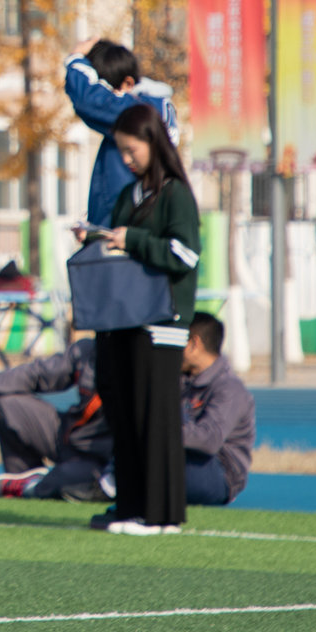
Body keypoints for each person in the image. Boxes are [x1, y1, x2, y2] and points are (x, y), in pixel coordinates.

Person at [75, 102, 200, 536]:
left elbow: (184, 253)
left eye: (133, 150)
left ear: (154, 142)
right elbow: (122, 245)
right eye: (122, 151)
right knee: (124, 414)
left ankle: (161, 514)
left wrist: (134, 239)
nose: (127, 159)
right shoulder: (130, 195)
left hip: (161, 322)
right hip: (124, 319)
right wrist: (97, 237)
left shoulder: (175, 194)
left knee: (155, 418)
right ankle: (129, 506)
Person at [0, 336, 111, 502]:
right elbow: (38, 373)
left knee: (67, 480)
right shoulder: (88, 350)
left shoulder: (133, 362)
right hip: (67, 438)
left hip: (100, 460)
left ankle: (35, 486)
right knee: (7, 404)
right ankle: (24, 478)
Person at [64, 38, 177, 229]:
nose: (109, 101)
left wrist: (76, 58)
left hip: (129, 235)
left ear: (128, 83)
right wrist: (93, 230)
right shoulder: (151, 109)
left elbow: (89, 101)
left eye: (108, 91)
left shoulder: (142, 111)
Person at [177, 312, 255, 507]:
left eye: (176, 341)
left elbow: (209, 440)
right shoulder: (182, 379)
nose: (171, 350)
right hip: (185, 461)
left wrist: (159, 432)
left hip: (218, 472)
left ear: (193, 344)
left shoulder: (230, 388)